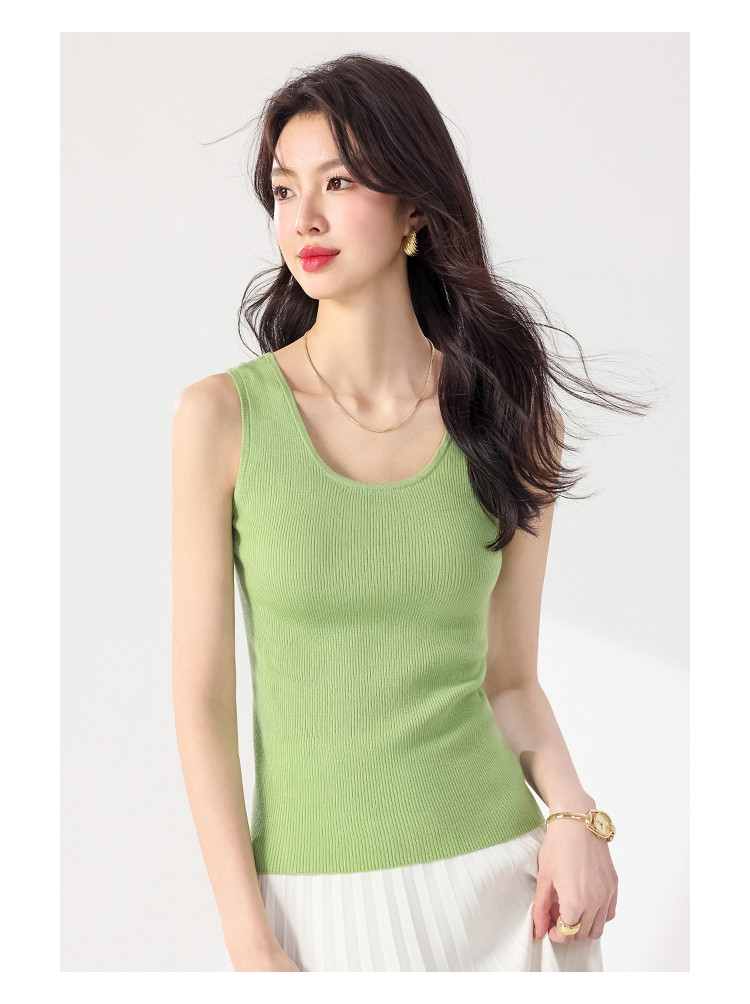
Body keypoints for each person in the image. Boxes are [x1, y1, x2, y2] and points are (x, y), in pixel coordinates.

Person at [172, 53, 646, 972]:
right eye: (284, 189)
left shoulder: (510, 418)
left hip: (505, 896)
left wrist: (576, 818)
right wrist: (248, 937)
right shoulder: (222, 418)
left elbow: (510, 681)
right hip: (315, 904)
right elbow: (200, 701)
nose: (303, 218)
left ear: (415, 209)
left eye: (339, 182)